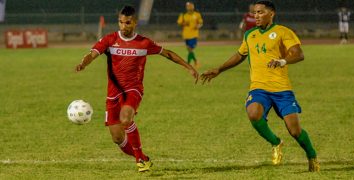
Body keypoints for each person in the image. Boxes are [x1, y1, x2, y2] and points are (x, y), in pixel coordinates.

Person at [75, 6, 198, 172]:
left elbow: (167, 53)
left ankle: (140, 160)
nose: (124, 26)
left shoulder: (144, 43)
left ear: (135, 23)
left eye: (127, 23)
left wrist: (188, 67)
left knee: (126, 118)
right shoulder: (110, 40)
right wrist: (84, 63)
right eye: (121, 22)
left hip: (134, 90)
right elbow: (93, 54)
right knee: (117, 138)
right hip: (113, 94)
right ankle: (143, 157)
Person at [201, 0, 320, 172]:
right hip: (259, 88)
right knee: (253, 113)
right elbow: (240, 55)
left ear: (271, 14)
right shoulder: (250, 34)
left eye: (260, 12)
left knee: (294, 131)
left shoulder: (283, 32)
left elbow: (299, 54)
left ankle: (312, 155)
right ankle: (276, 142)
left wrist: (282, 61)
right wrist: (219, 69)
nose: (256, 16)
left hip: (282, 89)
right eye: (255, 12)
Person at [177, 1, 203, 68]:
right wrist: (184, 24)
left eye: (191, 5)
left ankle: (187, 64)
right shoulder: (183, 15)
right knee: (189, 50)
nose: (189, 7)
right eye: (188, 6)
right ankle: (195, 62)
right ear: (186, 7)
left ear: (193, 6)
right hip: (186, 35)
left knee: (190, 49)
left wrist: (198, 26)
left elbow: (200, 23)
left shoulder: (197, 14)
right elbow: (179, 23)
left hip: (194, 35)